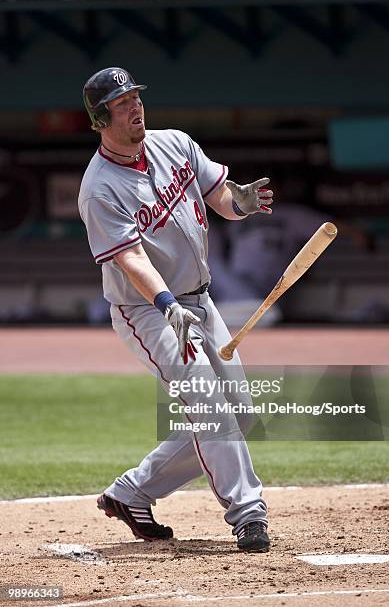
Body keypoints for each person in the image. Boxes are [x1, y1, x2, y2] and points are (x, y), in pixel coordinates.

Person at [78, 67, 274, 552]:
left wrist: (241, 203)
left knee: (240, 413)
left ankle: (132, 492)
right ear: (101, 118)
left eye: (136, 99)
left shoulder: (175, 143)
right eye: (122, 104)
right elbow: (129, 258)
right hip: (147, 310)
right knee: (208, 405)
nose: (135, 108)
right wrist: (166, 304)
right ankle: (248, 513)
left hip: (200, 299)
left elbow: (219, 197)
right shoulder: (99, 188)